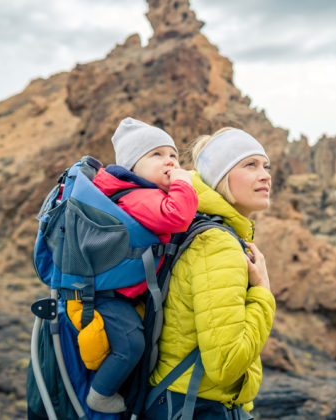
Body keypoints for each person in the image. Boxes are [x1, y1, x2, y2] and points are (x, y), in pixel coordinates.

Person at [146, 127, 276, 419]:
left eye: (266, 165)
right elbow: (226, 363)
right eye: (250, 165)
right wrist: (263, 292)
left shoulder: (201, 228)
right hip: (197, 407)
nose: (266, 175)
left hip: (180, 402)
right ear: (221, 177)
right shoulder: (217, 244)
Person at [86, 117, 199, 413]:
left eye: (173, 154)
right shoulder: (137, 196)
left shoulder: (142, 193)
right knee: (131, 346)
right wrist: (184, 184)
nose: (170, 162)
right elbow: (176, 217)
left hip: (122, 291)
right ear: (133, 166)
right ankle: (99, 394)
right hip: (108, 297)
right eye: (157, 154)